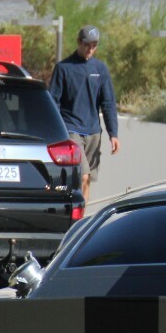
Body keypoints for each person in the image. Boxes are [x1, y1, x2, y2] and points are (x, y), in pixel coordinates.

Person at [48, 25, 119, 201]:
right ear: (79, 42)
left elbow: (108, 102)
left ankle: (81, 220)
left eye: (94, 45)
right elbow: (53, 102)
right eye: (87, 44)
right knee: (82, 176)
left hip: (93, 132)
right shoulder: (63, 68)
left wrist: (113, 133)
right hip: (71, 130)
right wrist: (55, 131)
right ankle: (76, 217)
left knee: (88, 181)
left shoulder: (100, 69)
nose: (90, 49)